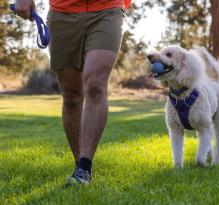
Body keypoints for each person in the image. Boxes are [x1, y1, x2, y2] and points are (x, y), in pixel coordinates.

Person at [15, 0, 132, 185]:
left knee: (95, 83)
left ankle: (85, 167)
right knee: (71, 96)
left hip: (107, 9)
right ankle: (79, 163)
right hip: (62, 13)